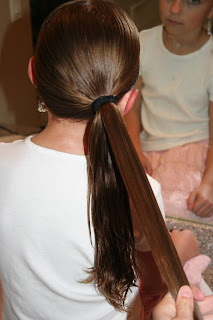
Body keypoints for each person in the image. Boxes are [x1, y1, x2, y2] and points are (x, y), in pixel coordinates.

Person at [0, 1, 209, 319]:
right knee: (187, 241)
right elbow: (150, 283)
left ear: (33, 73)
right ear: (128, 101)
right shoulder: (139, 188)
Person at [125, 0, 213, 222]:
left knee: (179, 212)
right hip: (148, 152)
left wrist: (209, 182)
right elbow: (130, 105)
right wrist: (134, 150)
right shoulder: (142, 44)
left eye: (192, 1)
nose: (175, 9)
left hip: (198, 155)